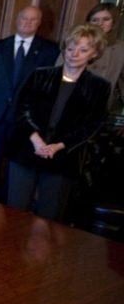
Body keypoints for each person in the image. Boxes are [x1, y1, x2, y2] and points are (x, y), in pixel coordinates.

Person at [6, 24, 110, 222]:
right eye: (71, 48)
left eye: (83, 50)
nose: (74, 54)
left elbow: (91, 126)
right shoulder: (40, 75)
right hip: (27, 151)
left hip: (63, 159)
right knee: (14, 213)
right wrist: (37, 141)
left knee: (50, 219)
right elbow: (20, 110)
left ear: (94, 53)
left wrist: (58, 146)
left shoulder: (99, 87)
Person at [0, 6, 60, 202]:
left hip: (25, 117)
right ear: (17, 20)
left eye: (33, 19)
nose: (27, 22)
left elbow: (48, 85)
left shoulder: (50, 50)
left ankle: (8, 199)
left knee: (16, 161)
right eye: (24, 18)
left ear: (39, 23)